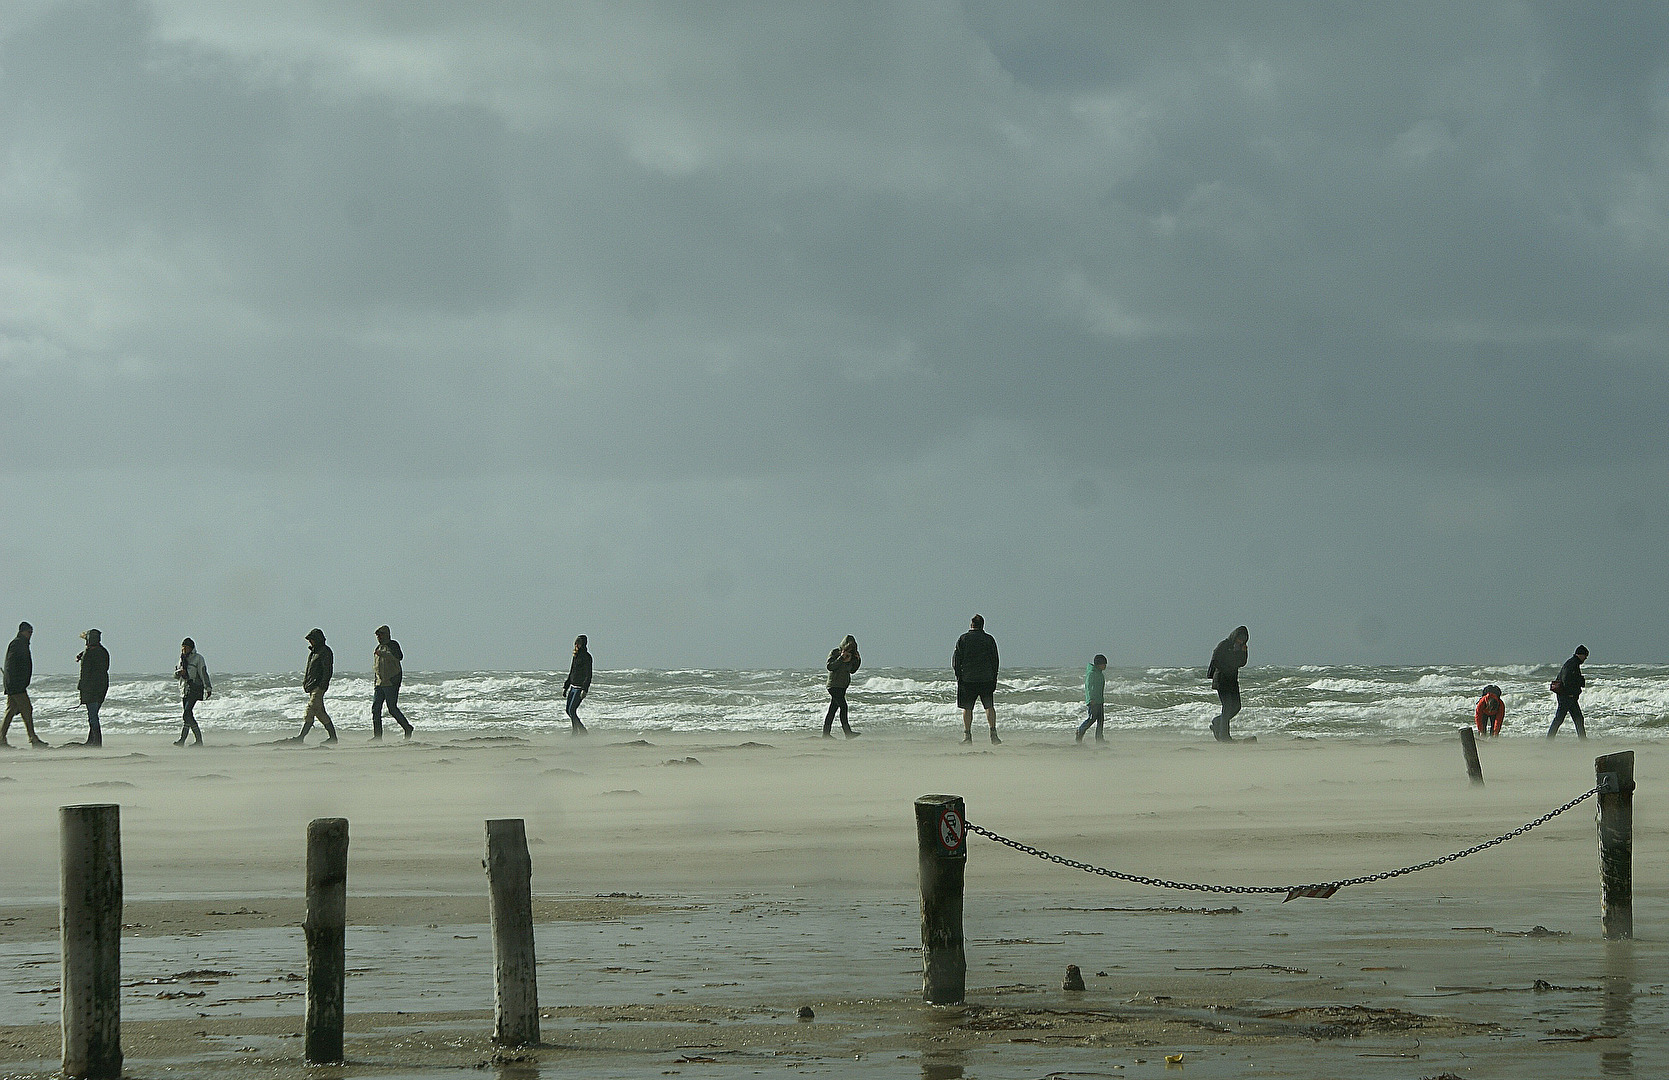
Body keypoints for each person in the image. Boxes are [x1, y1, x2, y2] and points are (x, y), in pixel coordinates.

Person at [953, 614, 1000, 744]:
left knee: (967, 708)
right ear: (982, 625)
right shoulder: (989, 639)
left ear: (971, 625)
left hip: (968, 680)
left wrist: (959, 677)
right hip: (986, 678)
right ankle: (993, 734)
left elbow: (956, 660)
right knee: (989, 707)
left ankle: (967, 736)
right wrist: (994, 677)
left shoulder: (963, 639)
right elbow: (995, 660)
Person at [1, 622, 46, 749]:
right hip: (16, 685)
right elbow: (12, 666)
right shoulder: (17, 644)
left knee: (10, 711)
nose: (30, 635)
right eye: (28, 632)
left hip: (14, 684)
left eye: (31, 632)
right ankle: (33, 738)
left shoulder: (20, 644)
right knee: (27, 709)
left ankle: (1, 739)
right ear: (22, 632)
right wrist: (16, 683)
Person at [291, 628, 337, 743]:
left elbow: (328, 670)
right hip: (312, 686)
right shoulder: (313, 653)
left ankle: (301, 737)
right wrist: (306, 683)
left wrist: (322, 685)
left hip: (318, 686)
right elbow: (309, 670)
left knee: (311, 709)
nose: (310, 642)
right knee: (319, 712)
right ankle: (332, 738)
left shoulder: (325, 652)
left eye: (312, 640)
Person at [1207, 626, 1249, 743]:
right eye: (1239, 638)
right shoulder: (1224, 645)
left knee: (1236, 706)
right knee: (1227, 706)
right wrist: (1226, 669)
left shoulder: (1241, 648)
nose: (1240, 641)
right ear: (1234, 636)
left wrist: (1243, 652)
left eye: (1243, 639)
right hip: (1221, 680)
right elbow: (1215, 660)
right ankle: (1224, 735)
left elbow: (1242, 663)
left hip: (1232, 681)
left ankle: (1218, 722)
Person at [371, 625, 414, 740]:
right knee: (376, 709)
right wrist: (376, 681)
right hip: (379, 683)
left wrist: (385, 654)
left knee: (392, 708)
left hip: (391, 682)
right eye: (377, 636)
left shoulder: (393, 645)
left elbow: (399, 657)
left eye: (381, 635)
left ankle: (407, 728)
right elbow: (377, 666)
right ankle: (377, 736)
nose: (379, 638)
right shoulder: (378, 648)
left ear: (387, 634)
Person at [75, 629, 110, 747]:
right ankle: (92, 740)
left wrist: (81, 687)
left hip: (91, 688)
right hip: (102, 686)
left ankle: (96, 742)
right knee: (94, 713)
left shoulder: (89, 653)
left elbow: (85, 673)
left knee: (92, 715)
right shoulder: (103, 652)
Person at [822, 635, 861, 739]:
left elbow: (852, 670)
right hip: (833, 685)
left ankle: (825, 734)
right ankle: (848, 733)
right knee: (843, 707)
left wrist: (857, 660)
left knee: (832, 710)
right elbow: (830, 666)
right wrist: (841, 658)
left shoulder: (851, 655)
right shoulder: (835, 653)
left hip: (842, 686)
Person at [1547, 645, 1589, 739]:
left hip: (1569, 696)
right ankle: (1549, 739)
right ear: (1580, 654)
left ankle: (1583, 740)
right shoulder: (1572, 664)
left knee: (1578, 719)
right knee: (1559, 719)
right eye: (1585, 656)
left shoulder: (1572, 663)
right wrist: (1570, 693)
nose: (1585, 658)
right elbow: (1566, 679)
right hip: (1567, 696)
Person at [175, 638, 211, 746]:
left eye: (186, 647)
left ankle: (197, 739)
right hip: (184, 690)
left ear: (191, 648)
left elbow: (203, 673)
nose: (184, 649)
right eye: (183, 647)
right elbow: (175, 675)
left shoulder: (198, 659)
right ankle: (184, 741)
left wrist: (208, 688)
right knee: (187, 715)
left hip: (195, 688)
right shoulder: (181, 659)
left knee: (187, 713)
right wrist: (179, 672)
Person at [563, 635, 592, 734]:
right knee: (568, 710)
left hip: (580, 688)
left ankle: (581, 731)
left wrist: (585, 689)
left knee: (572, 710)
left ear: (583, 644)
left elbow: (589, 674)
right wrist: (566, 686)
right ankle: (576, 731)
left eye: (579, 643)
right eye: (576, 643)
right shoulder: (576, 655)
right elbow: (572, 671)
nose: (577, 645)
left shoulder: (587, 657)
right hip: (573, 687)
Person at [1076, 654, 1108, 743]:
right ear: (1098, 664)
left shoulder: (1100, 674)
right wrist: (1090, 699)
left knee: (1101, 720)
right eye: (1103, 664)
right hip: (1093, 701)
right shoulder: (1091, 673)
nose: (1105, 666)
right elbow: (1088, 687)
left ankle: (1099, 739)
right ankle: (1080, 731)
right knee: (1091, 719)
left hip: (1100, 700)